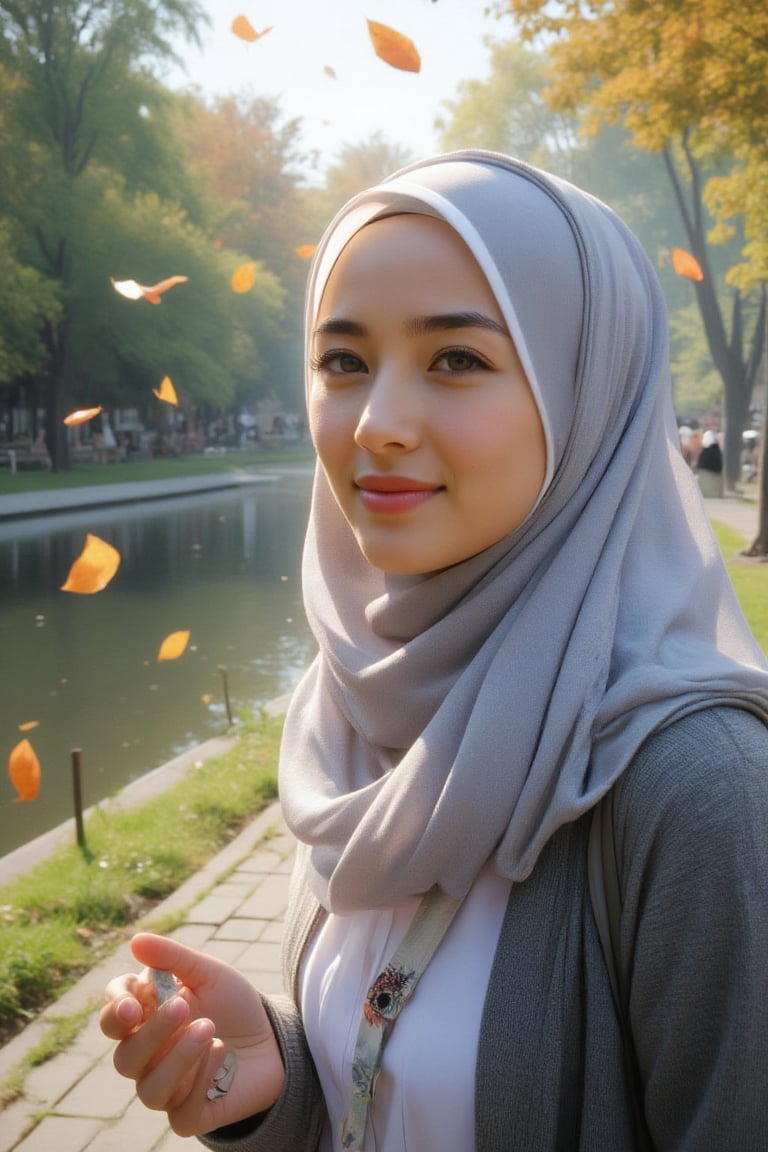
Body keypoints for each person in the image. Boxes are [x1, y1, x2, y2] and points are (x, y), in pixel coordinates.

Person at [99, 151, 768, 1151]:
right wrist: (276, 1091)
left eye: (457, 359)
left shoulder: (702, 795)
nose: (377, 425)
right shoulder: (357, 715)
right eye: (343, 362)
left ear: (587, 397)